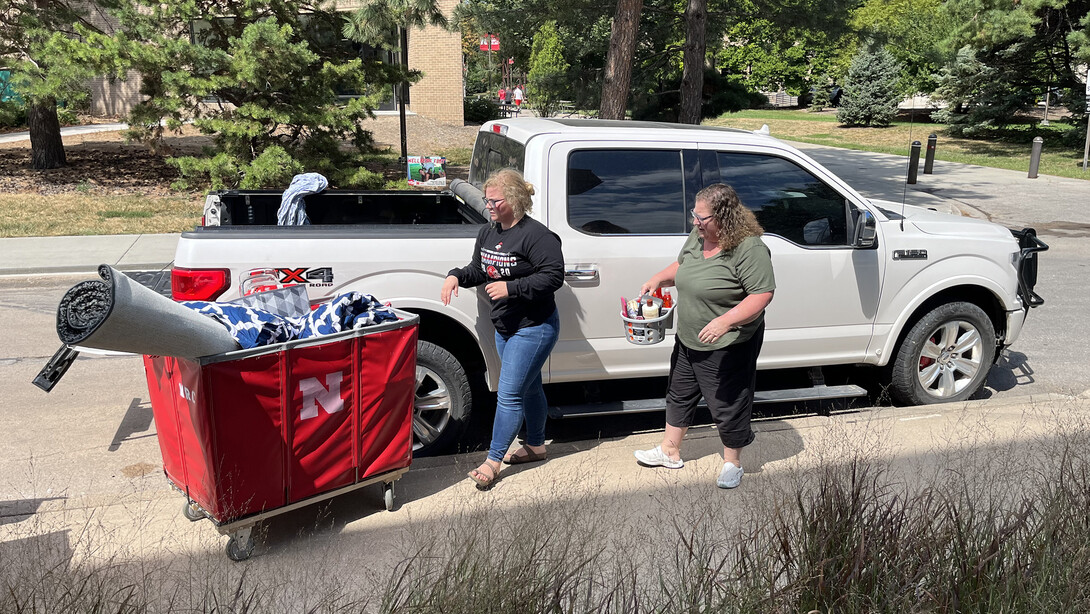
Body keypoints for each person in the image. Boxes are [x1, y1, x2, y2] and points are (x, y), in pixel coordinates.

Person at [633, 183, 775, 489]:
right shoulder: (699, 237)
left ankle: (732, 462)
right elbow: (683, 265)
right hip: (689, 336)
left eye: (702, 218)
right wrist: (659, 278)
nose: (695, 222)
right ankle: (670, 451)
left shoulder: (749, 248)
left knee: (727, 401)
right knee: (679, 393)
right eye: (694, 215)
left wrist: (725, 321)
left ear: (724, 217)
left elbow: (762, 294)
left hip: (728, 342)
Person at [441, 169, 564, 489]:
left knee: (509, 395)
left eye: (493, 200)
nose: (488, 205)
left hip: (534, 328)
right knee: (531, 386)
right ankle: (536, 445)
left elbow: (554, 276)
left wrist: (512, 288)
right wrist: (456, 275)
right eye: (486, 199)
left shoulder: (537, 236)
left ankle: (493, 461)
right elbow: (479, 269)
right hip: (504, 326)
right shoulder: (488, 232)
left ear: (513, 200)